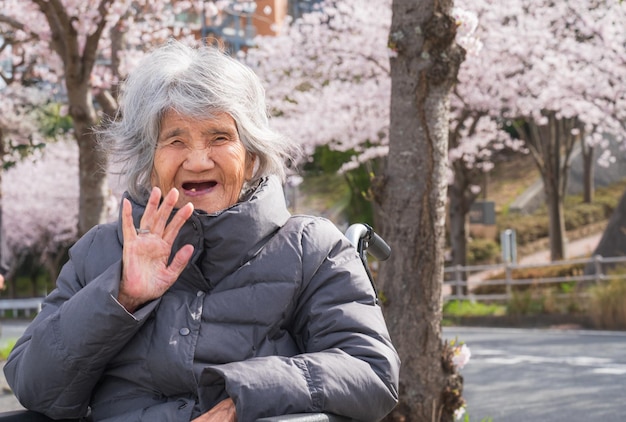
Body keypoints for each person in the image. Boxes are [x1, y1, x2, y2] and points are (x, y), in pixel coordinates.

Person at [4, 40, 400, 422]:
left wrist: (242, 401)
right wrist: (121, 295)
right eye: (175, 140)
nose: (197, 160)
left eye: (219, 138)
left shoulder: (311, 249)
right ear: (149, 158)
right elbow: (35, 388)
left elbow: (369, 371)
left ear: (251, 156)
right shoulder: (101, 251)